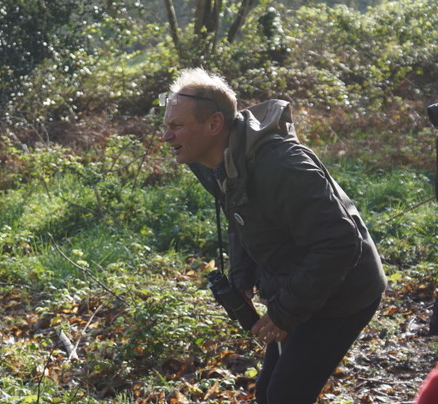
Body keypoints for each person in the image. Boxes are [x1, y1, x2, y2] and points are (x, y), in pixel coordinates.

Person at [160, 68, 387, 404]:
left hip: (344, 292)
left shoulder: (280, 165)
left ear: (214, 124)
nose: (166, 136)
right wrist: (242, 279)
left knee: (284, 396)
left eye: (176, 126)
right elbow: (240, 217)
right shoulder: (215, 160)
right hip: (299, 283)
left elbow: (340, 243)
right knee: (269, 395)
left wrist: (283, 313)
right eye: (167, 125)